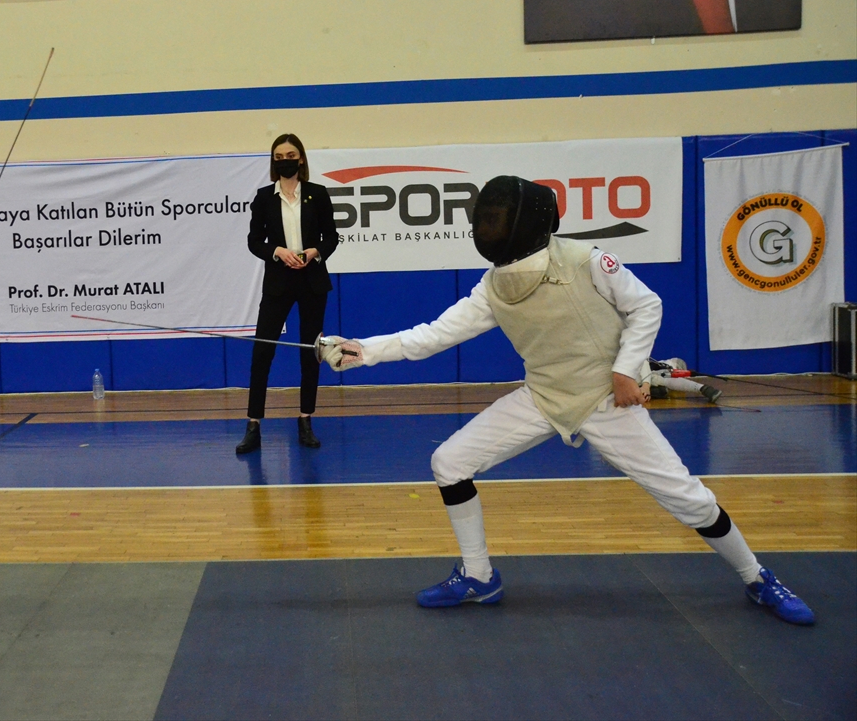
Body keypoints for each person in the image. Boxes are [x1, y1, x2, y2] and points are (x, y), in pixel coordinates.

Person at [320, 176, 814, 626]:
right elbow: (431, 336)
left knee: (689, 499)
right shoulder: (494, 287)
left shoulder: (587, 261)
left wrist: (625, 370)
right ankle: (478, 577)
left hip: (605, 400)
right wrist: (362, 351)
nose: (490, 227)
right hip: (543, 395)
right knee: (449, 462)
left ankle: (757, 577)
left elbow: (646, 305)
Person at [236, 134, 338, 454]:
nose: (285, 161)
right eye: (279, 157)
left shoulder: (317, 194)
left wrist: (314, 252)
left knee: (310, 352)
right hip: (278, 283)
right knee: (262, 353)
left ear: (301, 158)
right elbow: (254, 241)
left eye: (290, 155)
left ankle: (305, 419)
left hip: (312, 282)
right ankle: (253, 424)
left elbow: (331, 237)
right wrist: (277, 251)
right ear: (273, 161)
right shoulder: (263, 198)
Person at [642, 357, 722, 402]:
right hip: (642, 375)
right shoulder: (666, 366)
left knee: (658, 380)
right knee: (660, 378)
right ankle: (703, 388)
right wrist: (646, 384)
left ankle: (703, 389)